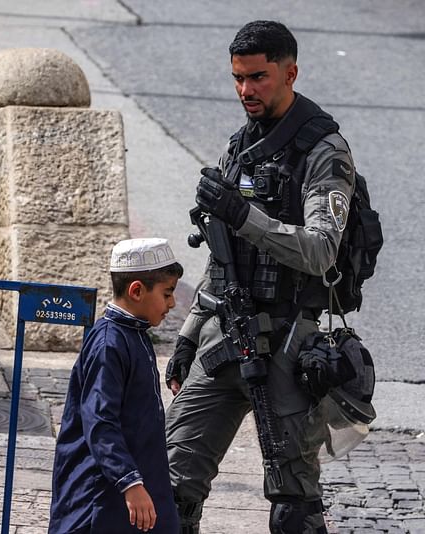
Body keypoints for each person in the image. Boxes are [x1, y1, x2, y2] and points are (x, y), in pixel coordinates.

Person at [164, 21, 356, 534]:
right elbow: (223, 257)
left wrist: (241, 213)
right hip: (223, 336)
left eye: (258, 78)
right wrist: (186, 336)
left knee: (294, 505)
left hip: (291, 344)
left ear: (290, 73)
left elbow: (320, 251)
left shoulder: (325, 151)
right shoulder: (242, 145)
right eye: (238, 78)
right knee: (169, 486)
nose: (246, 90)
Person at [49, 238, 182, 534]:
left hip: (137, 480)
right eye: (167, 293)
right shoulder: (109, 343)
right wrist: (129, 483)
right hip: (102, 491)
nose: (172, 303)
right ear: (137, 291)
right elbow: (100, 421)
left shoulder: (135, 334)